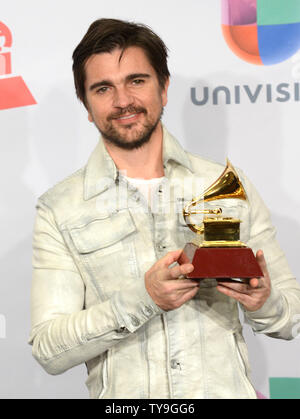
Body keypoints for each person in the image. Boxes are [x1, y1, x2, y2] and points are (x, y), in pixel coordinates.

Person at [29, 18, 300, 399]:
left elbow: (289, 318)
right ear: (86, 106)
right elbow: (49, 349)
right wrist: (144, 299)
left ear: (164, 87)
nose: (123, 100)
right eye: (104, 88)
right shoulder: (59, 209)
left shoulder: (226, 185)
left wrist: (263, 301)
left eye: (136, 80)